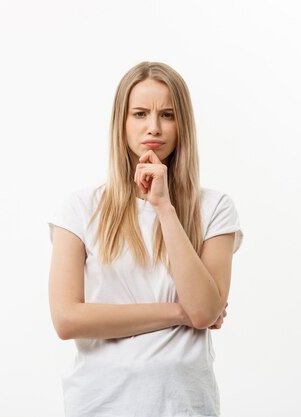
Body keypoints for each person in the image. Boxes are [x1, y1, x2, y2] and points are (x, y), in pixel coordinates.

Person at [47, 61, 243, 416]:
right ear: (121, 123)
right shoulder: (80, 208)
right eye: (140, 113)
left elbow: (203, 310)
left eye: (167, 114)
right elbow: (67, 320)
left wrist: (165, 208)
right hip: (101, 403)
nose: (154, 127)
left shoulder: (215, 208)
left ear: (183, 124)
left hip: (184, 404)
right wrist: (177, 313)